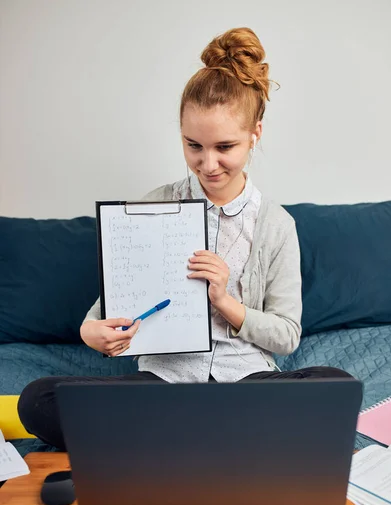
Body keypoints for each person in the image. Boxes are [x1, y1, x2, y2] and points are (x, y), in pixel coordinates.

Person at [18, 27, 353, 450]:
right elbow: (100, 315)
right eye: (193, 145)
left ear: (256, 134)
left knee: (336, 386)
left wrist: (226, 302)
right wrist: (93, 335)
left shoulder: (276, 225)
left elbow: (287, 336)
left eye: (224, 146)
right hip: (163, 385)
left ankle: (174, 437)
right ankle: (220, 437)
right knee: (37, 400)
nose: (207, 163)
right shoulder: (149, 208)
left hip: (245, 384)